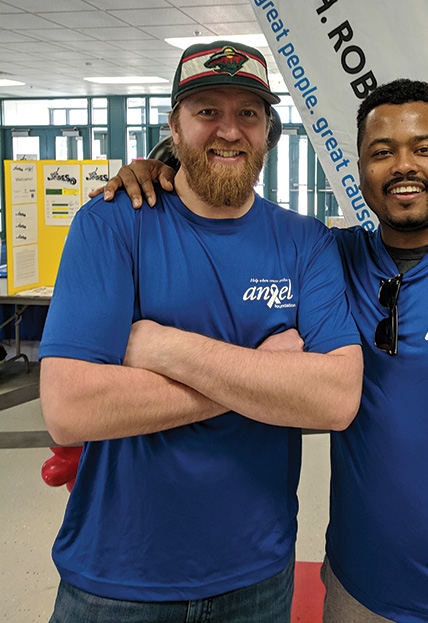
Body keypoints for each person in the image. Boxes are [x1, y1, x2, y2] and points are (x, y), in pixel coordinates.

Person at [94, 78, 428, 623]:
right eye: (381, 152)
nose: (402, 166)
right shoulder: (330, 260)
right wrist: (158, 170)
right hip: (357, 594)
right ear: (362, 170)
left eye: (423, 148)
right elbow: (234, 221)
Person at [39, 40, 363, 623]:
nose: (229, 130)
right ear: (174, 124)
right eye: (207, 110)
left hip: (256, 576)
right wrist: (262, 373)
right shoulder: (112, 223)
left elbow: (335, 399)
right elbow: (70, 407)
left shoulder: (305, 242)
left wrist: (161, 347)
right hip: (115, 577)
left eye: (248, 113)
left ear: (269, 131)